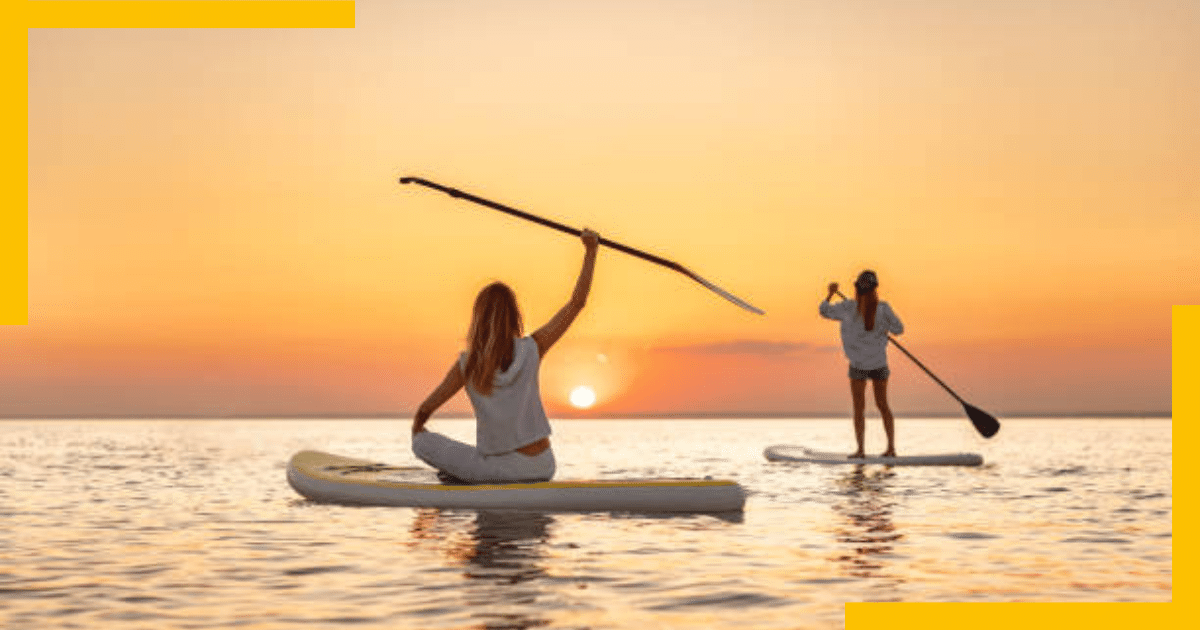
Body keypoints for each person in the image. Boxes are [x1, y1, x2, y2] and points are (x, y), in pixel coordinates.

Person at [410, 229, 600, 483]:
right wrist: (591, 251)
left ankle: (462, 475)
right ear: (514, 316)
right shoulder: (533, 347)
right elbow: (576, 303)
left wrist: (417, 430)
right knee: (473, 458)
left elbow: (426, 408)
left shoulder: (468, 365)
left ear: (478, 319)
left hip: (501, 472)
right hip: (543, 466)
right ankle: (465, 473)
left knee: (422, 443)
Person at [820, 270, 904, 458]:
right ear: (875, 290)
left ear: (857, 288)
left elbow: (823, 311)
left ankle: (861, 451)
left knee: (859, 408)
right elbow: (899, 329)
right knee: (883, 405)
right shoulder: (883, 308)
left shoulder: (848, 307)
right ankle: (891, 449)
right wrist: (885, 328)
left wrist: (831, 293)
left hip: (858, 365)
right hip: (879, 364)